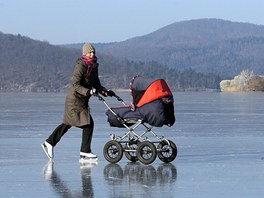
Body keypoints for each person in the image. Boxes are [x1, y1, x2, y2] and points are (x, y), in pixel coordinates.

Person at [41, 43, 115, 162]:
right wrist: (88, 91)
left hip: (82, 100)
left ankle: (50, 143)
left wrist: (106, 92)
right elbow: (75, 85)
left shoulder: (94, 66)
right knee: (87, 123)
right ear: (84, 53)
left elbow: (97, 85)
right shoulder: (81, 65)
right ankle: (83, 151)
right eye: (90, 52)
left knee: (69, 123)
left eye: (93, 52)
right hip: (74, 99)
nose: (92, 54)